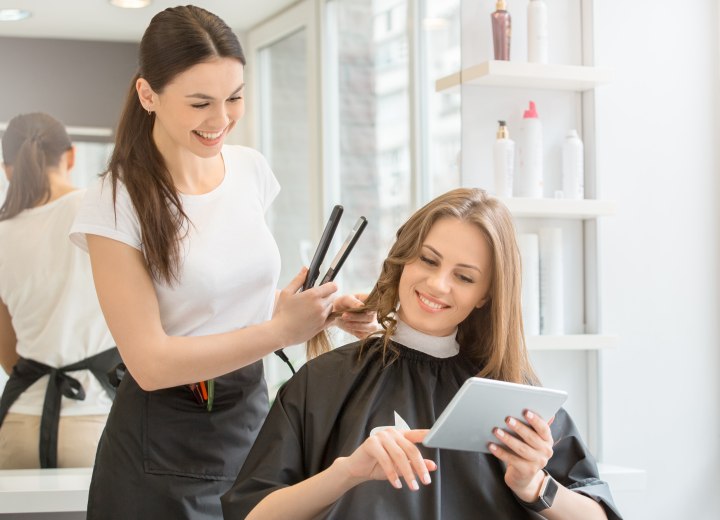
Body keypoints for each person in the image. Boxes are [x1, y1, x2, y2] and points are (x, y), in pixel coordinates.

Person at [68, 5, 372, 520]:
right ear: (148, 95)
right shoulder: (114, 201)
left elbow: (225, 307)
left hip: (251, 417)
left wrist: (315, 309)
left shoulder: (250, 169)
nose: (221, 120)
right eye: (200, 103)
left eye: (234, 98)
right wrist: (281, 331)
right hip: (160, 446)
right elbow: (150, 362)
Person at [221, 188, 624, 520]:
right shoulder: (323, 382)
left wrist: (534, 484)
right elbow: (252, 514)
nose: (437, 284)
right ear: (404, 256)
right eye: (428, 260)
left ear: (486, 294)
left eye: (464, 277)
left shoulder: (513, 395)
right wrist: (345, 474)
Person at [0, 113, 119, 469]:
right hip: (94, 419)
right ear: (70, 156)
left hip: (18, 424)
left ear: (7, 168)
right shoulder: (104, 208)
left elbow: (8, 354)